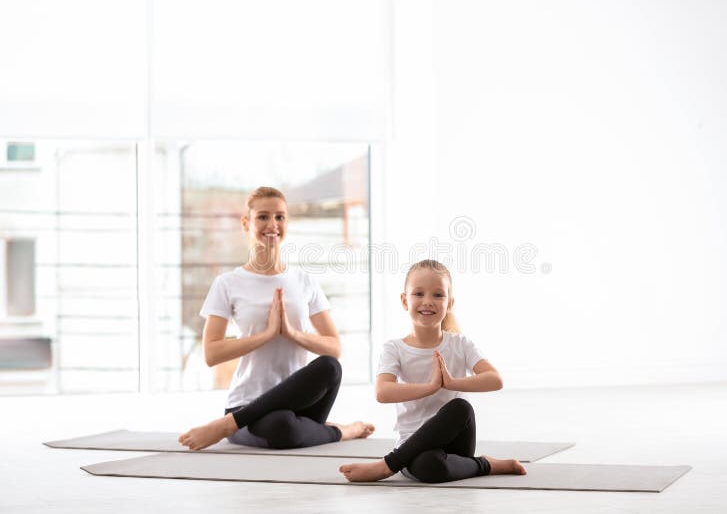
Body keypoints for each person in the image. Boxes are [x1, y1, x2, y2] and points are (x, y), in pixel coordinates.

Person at [179, 187, 374, 450]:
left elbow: (334, 347)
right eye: (263, 217)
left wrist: (293, 334)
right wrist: (266, 335)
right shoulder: (227, 283)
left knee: (329, 367)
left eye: (280, 217)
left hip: (301, 403)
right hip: (248, 404)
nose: (272, 224)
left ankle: (227, 425)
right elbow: (211, 353)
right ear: (246, 223)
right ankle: (339, 431)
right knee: (282, 427)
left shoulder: (304, 282)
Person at [339, 259, 526, 483]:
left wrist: (451, 383)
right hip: (412, 447)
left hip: (456, 442)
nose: (427, 301)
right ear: (404, 300)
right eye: (418, 293)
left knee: (460, 407)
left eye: (438, 295)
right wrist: (430, 387)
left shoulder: (461, 344)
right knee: (430, 467)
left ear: (450, 303)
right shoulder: (394, 348)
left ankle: (387, 466)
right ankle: (485, 464)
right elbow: (383, 392)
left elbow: (495, 380)